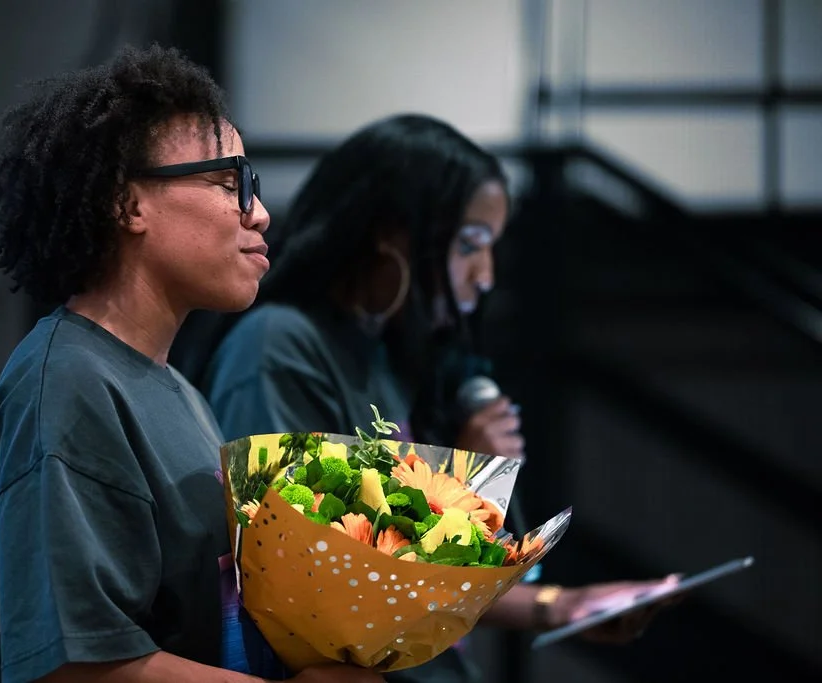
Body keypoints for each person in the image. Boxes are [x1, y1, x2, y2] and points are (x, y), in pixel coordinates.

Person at [0, 44, 384, 683]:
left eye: (252, 187)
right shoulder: (67, 386)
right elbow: (76, 667)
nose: (257, 212)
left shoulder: (174, 389)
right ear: (128, 205)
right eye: (227, 182)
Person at [199, 114, 678, 682]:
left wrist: (559, 607)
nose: (485, 275)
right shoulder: (278, 346)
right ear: (391, 233)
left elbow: (409, 575)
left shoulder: (387, 358)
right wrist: (465, 491)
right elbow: (309, 579)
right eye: (470, 243)